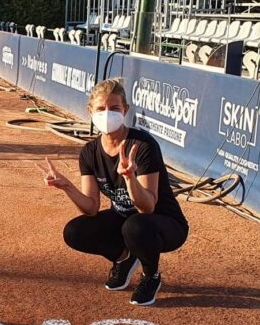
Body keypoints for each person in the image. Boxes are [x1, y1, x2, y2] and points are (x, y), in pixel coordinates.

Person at [36, 78, 188, 306]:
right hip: (124, 220)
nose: (107, 114)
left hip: (162, 223)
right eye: (100, 109)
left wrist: (129, 177)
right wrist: (67, 186)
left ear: (125, 110)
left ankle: (151, 276)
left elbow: (147, 207)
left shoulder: (142, 145)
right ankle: (124, 258)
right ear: (91, 111)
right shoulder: (89, 152)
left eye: (114, 108)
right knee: (75, 231)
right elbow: (91, 207)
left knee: (135, 226)